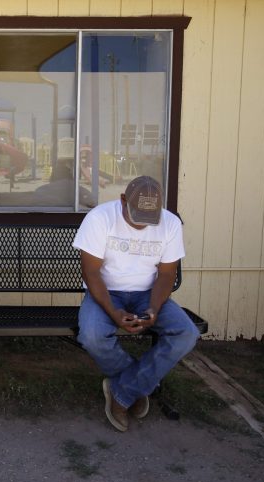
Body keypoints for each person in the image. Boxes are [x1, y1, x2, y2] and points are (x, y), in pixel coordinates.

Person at [72, 175, 200, 432]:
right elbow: (91, 273)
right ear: (122, 200)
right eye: (136, 216)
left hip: (147, 293)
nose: (142, 224)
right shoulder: (100, 218)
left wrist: (153, 307)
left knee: (187, 333)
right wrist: (114, 312)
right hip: (106, 292)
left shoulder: (170, 223)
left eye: (148, 218)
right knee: (92, 336)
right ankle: (138, 385)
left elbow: (166, 274)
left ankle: (122, 392)